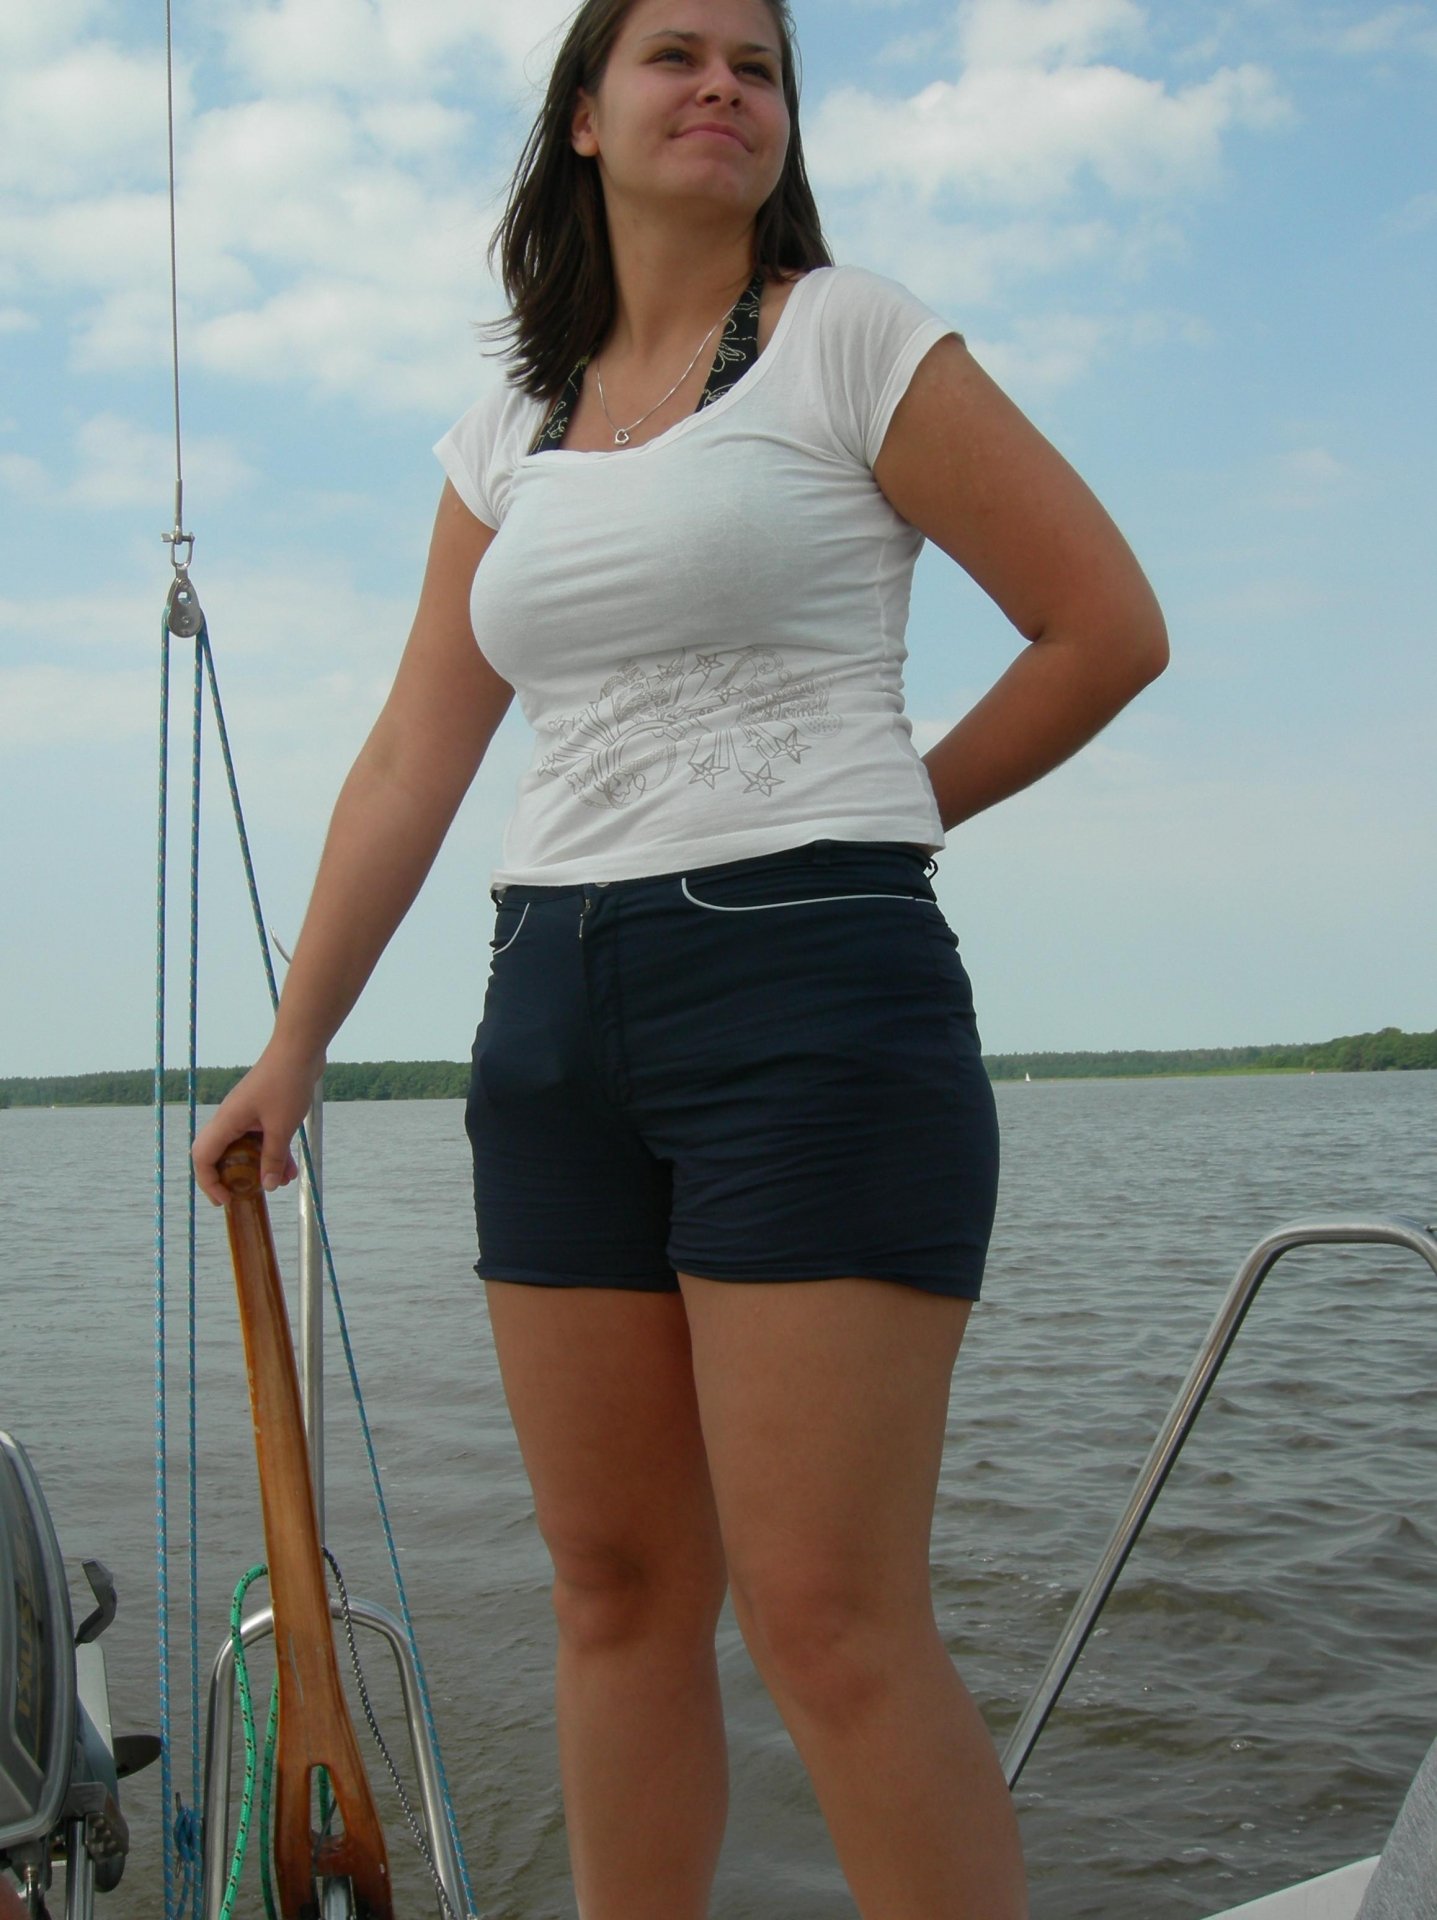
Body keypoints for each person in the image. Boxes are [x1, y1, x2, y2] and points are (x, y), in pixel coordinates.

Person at [193, 0, 1168, 1913]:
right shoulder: (508, 427)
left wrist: (884, 809)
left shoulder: (849, 336)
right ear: (581, 115)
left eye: (759, 65)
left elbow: (1102, 628)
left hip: (812, 997)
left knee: (826, 1617)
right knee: (614, 1589)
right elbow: (411, 757)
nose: (723, 85)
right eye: (676, 53)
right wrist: (293, 1046)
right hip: (548, 1012)